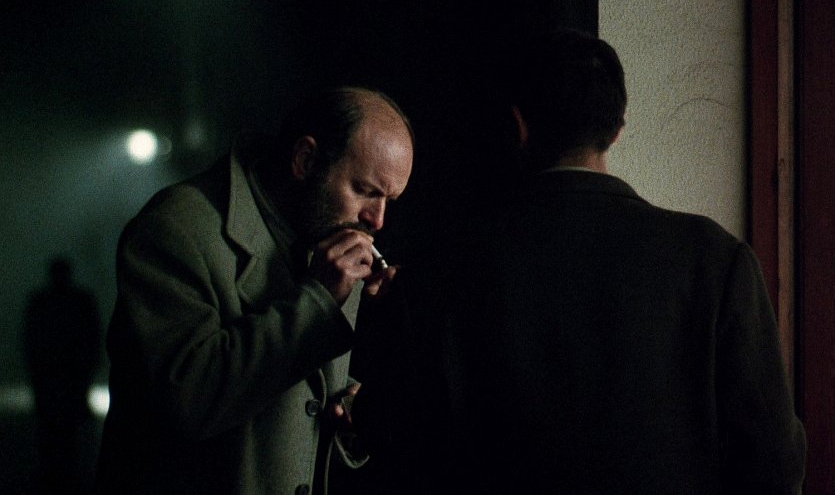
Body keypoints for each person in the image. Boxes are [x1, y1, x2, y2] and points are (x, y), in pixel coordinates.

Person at [436, 28, 806, 493]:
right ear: (618, 128)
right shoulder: (714, 258)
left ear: (519, 126)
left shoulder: (452, 262)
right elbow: (774, 463)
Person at [95, 86, 414, 495]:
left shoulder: (329, 233)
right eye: (366, 191)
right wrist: (318, 299)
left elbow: (301, 399)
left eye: (389, 199)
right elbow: (188, 401)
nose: (378, 220)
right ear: (305, 160)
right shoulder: (175, 229)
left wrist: (354, 405)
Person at [24, 256, 102, 494]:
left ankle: (52, 474)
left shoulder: (42, 302)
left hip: (52, 374)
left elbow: (31, 338)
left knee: (51, 426)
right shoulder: (80, 301)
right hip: (68, 374)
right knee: (66, 426)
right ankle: (67, 474)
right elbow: (92, 336)